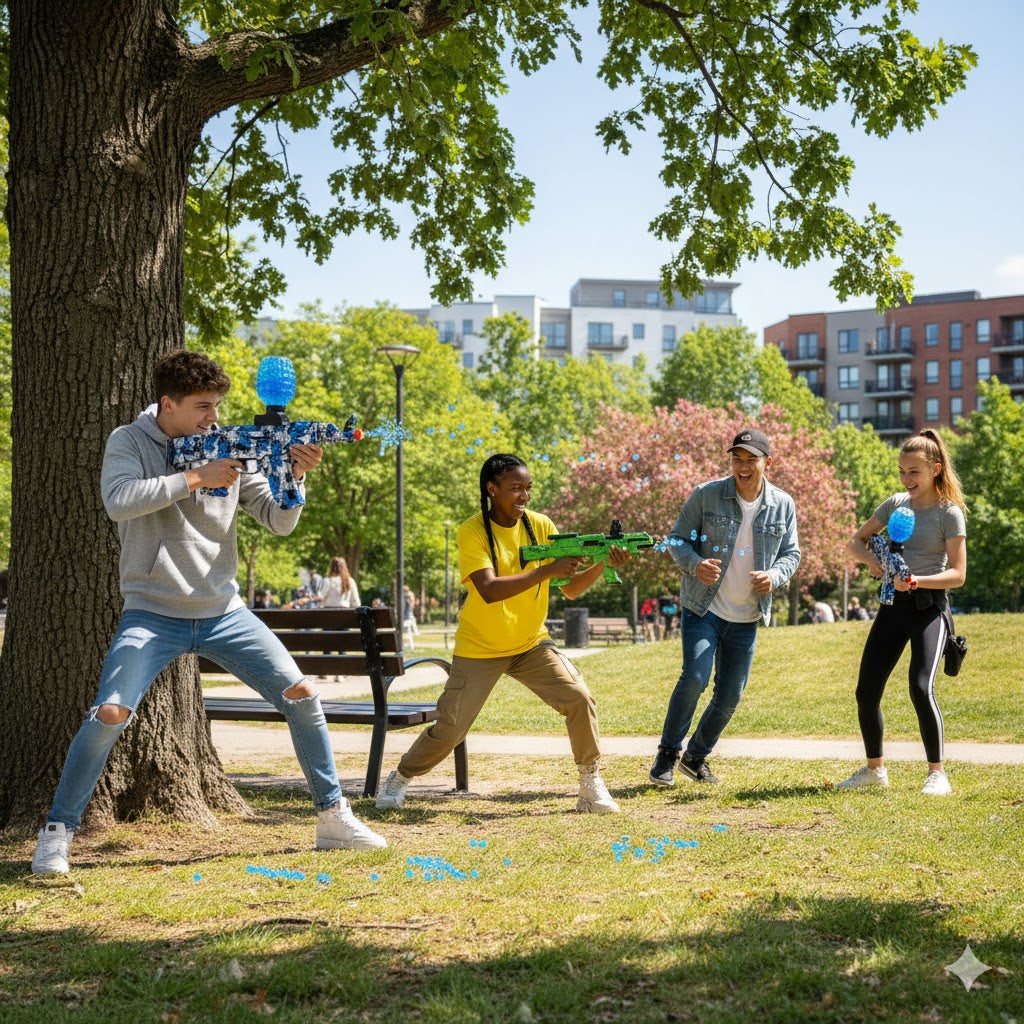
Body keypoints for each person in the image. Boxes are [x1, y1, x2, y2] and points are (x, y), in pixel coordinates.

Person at [30, 350, 384, 876]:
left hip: (224, 610)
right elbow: (119, 500)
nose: (213, 417)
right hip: (152, 610)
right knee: (110, 713)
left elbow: (279, 522)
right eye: (202, 407)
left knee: (303, 695)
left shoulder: (232, 446)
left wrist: (295, 477)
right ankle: (58, 832)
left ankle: (332, 816)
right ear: (167, 404)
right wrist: (195, 478)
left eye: (217, 405)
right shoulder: (128, 440)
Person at [375, 453, 628, 814]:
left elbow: (570, 589)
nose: (523, 496)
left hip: (530, 644)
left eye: (528, 488)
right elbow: (489, 590)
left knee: (579, 697)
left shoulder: (541, 525)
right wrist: (546, 571)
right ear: (492, 489)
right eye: (515, 488)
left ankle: (590, 783)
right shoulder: (472, 530)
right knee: (451, 728)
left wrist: (603, 562)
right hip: (480, 646)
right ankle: (400, 777)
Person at [648, 428, 801, 787]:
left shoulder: (783, 504)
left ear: (768, 463)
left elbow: (791, 553)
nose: (743, 467)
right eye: (737, 459)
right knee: (695, 677)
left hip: (747, 615)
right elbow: (677, 540)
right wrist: (694, 564)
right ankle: (667, 755)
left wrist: (775, 576)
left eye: (751, 460)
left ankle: (696, 756)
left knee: (730, 695)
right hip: (704, 608)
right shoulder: (706, 495)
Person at [835, 429, 967, 797]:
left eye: (914, 472)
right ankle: (874, 770)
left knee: (921, 687)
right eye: (902, 471)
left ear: (936, 469)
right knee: (866, 690)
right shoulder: (895, 505)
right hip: (893, 606)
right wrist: (875, 562)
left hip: (929, 610)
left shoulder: (949, 513)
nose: (906, 479)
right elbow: (854, 542)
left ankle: (937, 774)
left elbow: (958, 574)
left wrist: (918, 580)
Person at [289, 557, 360, 609]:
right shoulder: (350, 581)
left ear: (331, 567)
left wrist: (311, 598)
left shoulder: (328, 581)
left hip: (328, 617)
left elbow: (321, 597)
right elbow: (356, 602)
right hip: (345, 616)